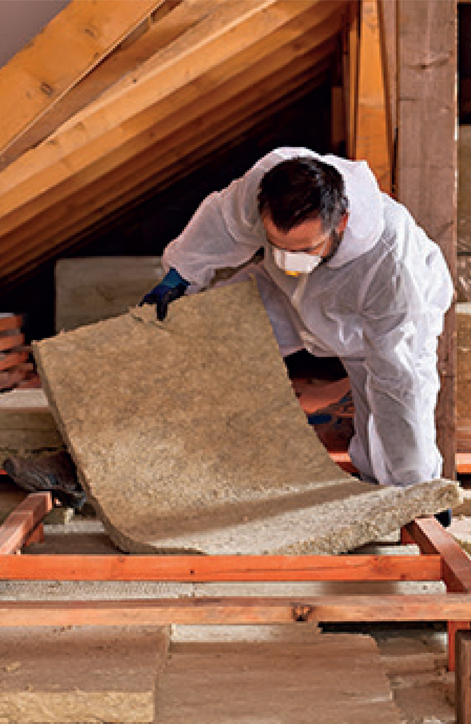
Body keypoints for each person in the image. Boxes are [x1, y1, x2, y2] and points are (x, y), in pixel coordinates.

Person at [142, 148, 453, 488]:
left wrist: (417, 488)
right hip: (284, 292)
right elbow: (222, 224)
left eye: (305, 249)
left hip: (368, 323)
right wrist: (180, 275)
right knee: (203, 334)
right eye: (278, 245)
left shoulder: (390, 262)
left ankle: (405, 483)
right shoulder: (262, 190)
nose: (290, 258)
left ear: (342, 222)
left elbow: (399, 382)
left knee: (385, 414)